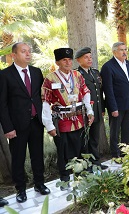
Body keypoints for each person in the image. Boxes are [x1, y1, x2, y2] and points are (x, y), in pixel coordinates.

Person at [0, 42, 51, 203]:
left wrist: (45, 119)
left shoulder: (36, 72)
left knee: (37, 155)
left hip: (36, 122)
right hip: (16, 126)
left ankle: (39, 184)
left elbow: (39, 97)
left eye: (29, 51)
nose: (28, 54)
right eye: (24, 52)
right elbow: (2, 104)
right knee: (18, 158)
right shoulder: (5, 75)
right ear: (14, 55)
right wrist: (8, 127)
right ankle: (20, 189)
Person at [41, 48, 94, 188]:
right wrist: (49, 125)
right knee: (63, 149)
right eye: (64, 60)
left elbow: (86, 92)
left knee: (80, 147)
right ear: (57, 62)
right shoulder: (50, 78)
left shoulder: (77, 75)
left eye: (70, 60)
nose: (68, 62)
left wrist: (90, 111)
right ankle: (65, 177)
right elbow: (45, 102)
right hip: (62, 120)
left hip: (79, 118)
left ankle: (82, 173)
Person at [101, 42, 129, 158]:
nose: (124, 52)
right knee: (115, 132)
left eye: (125, 49)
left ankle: (126, 152)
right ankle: (115, 154)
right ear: (114, 52)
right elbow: (108, 89)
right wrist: (113, 107)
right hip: (117, 105)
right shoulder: (108, 67)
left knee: (127, 130)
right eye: (121, 50)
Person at [75, 47, 108, 170]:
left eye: (90, 57)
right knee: (85, 138)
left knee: (95, 138)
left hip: (97, 110)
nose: (89, 59)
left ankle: (96, 162)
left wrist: (102, 108)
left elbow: (100, 93)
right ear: (79, 60)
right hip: (84, 112)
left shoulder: (95, 72)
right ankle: (86, 164)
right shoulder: (77, 74)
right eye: (86, 57)